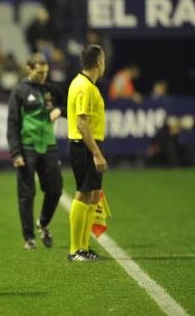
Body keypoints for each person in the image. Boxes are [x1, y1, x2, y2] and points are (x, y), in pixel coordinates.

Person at [7, 53, 64, 250]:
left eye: (45, 72)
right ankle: (29, 237)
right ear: (29, 69)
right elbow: (13, 123)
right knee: (26, 194)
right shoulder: (19, 91)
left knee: (55, 189)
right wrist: (16, 153)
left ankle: (43, 223)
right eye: (39, 72)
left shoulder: (50, 89)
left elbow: (65, 104)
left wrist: (60, 110)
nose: (43, 76)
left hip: (49, 146)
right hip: (28, 147)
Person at [66, 44, 108, 262]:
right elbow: (82, 124)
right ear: (98, 62)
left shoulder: (84, 84)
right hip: (84, 147)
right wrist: (97, 153)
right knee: (83, 192)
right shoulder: (84, 87)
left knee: (93, 193)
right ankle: (75, 250)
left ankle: (84, 246)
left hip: (88, 145)